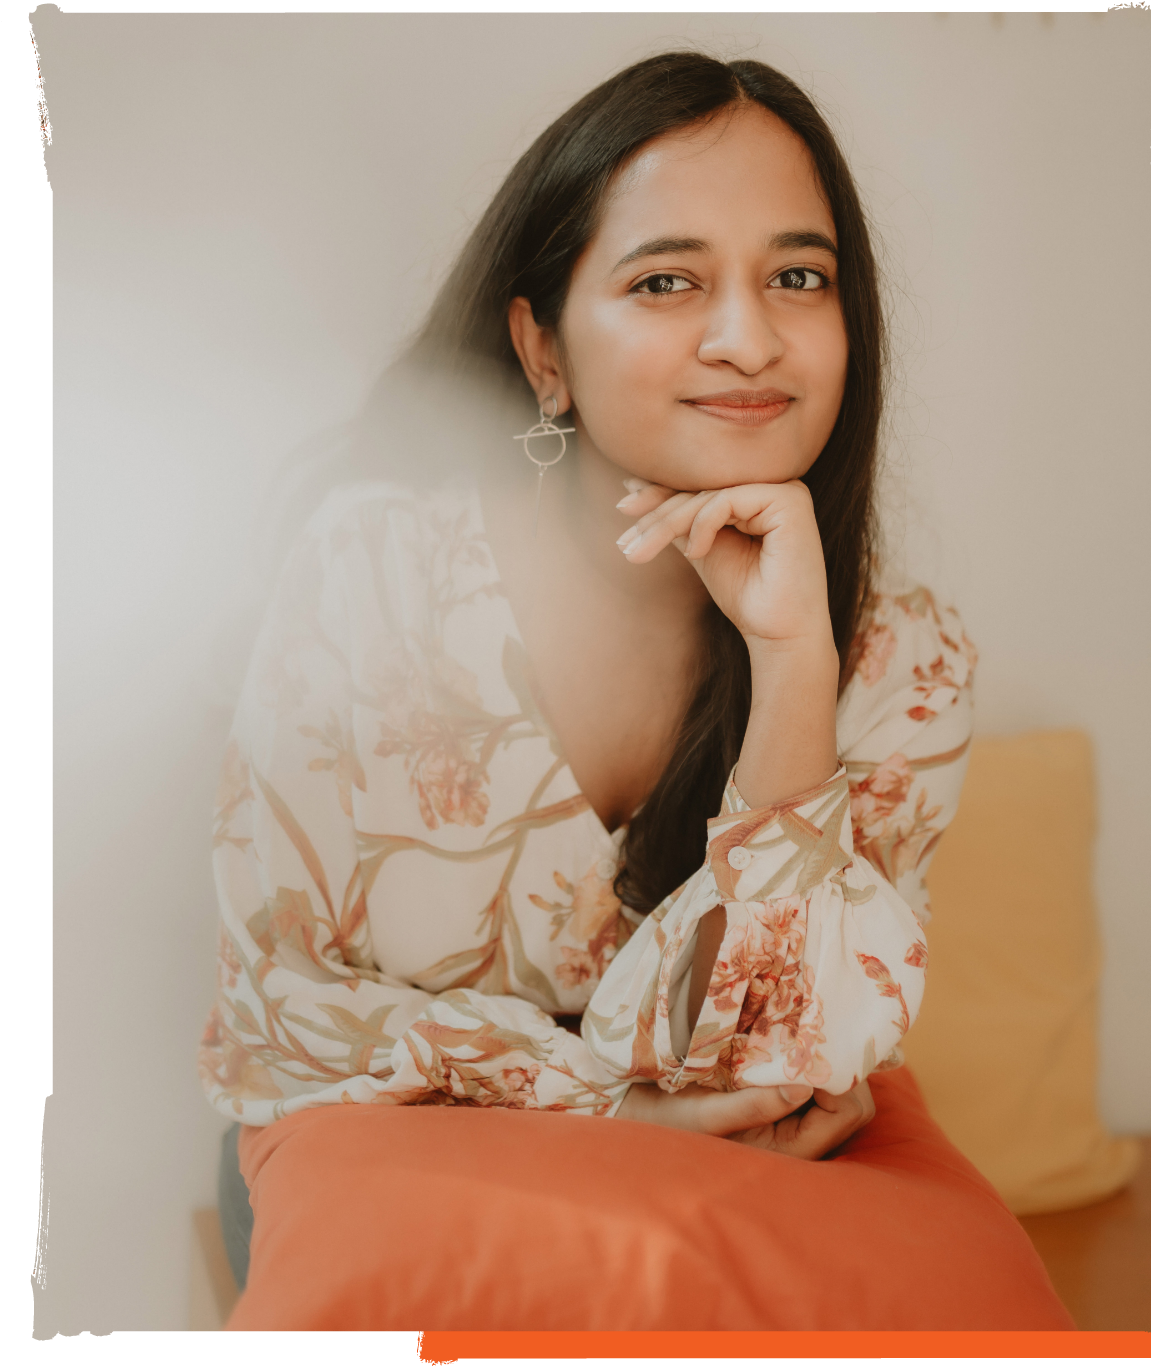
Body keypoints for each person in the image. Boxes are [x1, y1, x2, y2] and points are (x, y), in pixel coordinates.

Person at [201, 52, 975, 1293]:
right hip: (380, 1151)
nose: (748, 338)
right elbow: (279, 1003)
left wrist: (789, 663)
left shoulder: (900, 657)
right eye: (667, 280)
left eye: (798, 276)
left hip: (728, 1182)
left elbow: (773, 1066)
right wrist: (607, 1102)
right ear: (542, 350)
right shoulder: (374, 572)